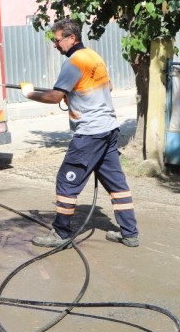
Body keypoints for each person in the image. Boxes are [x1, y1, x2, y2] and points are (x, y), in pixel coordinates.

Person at [20, 18, 139, 248]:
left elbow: (54, 97)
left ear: (71, 38)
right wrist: (73, 93)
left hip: (90, 133)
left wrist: (29, 94)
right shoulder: (93, 57)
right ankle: (130, 233)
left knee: (66, 181)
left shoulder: (73, 62)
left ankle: (61, 233)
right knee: (117, 184)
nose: (55, 45)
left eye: (57, 41)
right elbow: (108, 87)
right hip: (109, 129)